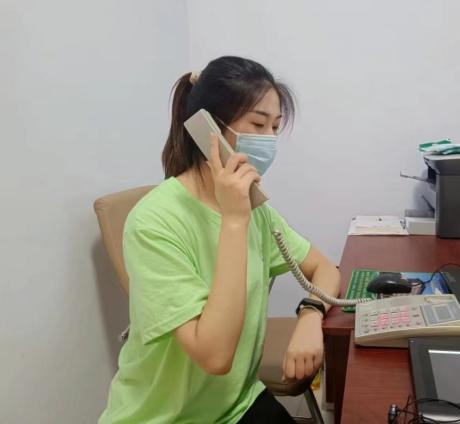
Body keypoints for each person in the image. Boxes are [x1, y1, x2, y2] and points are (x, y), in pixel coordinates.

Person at [99, 56, 341, 423]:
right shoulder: (153, 222)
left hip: (237, 402)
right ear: (207, 128)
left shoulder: (254, 208)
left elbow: (323, 267)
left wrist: (310, 315)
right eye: (257, 124)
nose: (269, 140)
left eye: (275, 127)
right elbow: (214, 356)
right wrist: (234, 221)